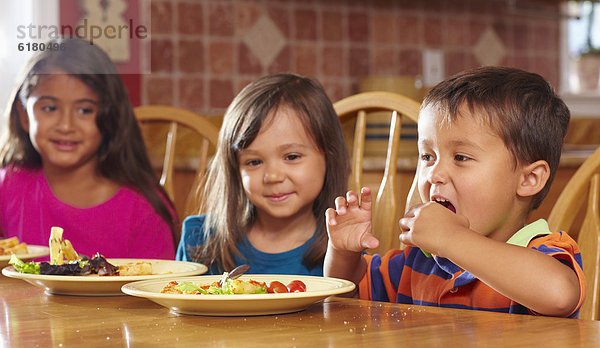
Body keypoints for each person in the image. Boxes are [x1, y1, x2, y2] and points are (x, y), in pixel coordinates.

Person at [324, 66, 585, 318]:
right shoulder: (419, 261)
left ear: (529, 179)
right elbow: (347, 293)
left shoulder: (544, 252)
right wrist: (344, 253)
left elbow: (560, 294)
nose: (434, 174)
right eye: (427, 156)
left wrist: (451, 239)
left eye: (460, 157)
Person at [0, 37, 176, 259]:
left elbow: (157, 288)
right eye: (50, 108)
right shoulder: (8, 186)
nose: (66, 125)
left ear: (109, 116)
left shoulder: (143, 209)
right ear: (24, 115)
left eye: (84, 110)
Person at [177, 73, 349, 275]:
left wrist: (345, 257)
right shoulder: (199, 240)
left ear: (329, 157)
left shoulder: (343, 250)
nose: (273, 176)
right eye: (254, 162)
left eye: (292, 157)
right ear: (235, 169)